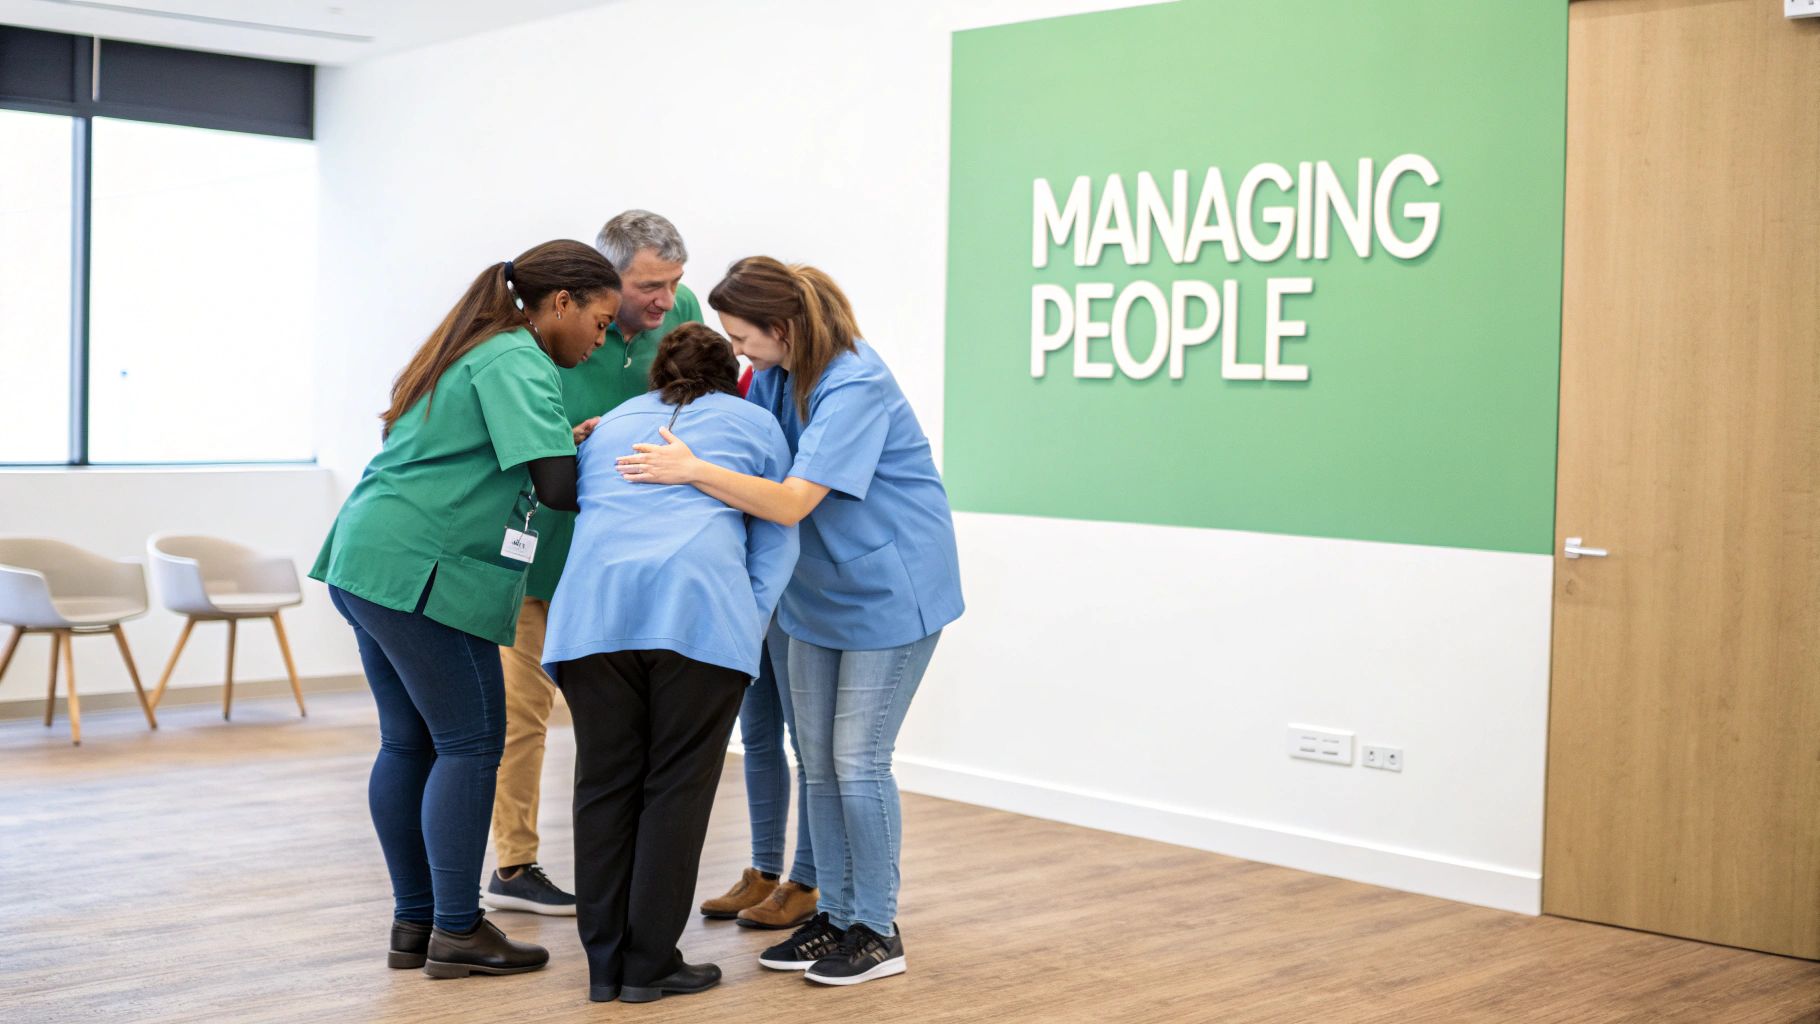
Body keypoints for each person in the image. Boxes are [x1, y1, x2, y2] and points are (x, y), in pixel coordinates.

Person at [617, 257, 964, 987]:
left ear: (783, 327)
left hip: (888, 591)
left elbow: (790, 500)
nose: (737, 352)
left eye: (744, 338)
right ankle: (834, 916)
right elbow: (742, 443)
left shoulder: (856, 383)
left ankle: (877, 928)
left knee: (857, 761)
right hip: (816, 591)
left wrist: (691, 471)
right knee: (817, 758)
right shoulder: (777, 375)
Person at [311, 240, 620, 978]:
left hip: (370, 561)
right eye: (602, 322)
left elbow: (506, 458)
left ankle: (415, 927)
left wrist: (566, 442)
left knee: (409, 744)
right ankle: (458, 929)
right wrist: (650, 465)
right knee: (472, 742)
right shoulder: (518, 359)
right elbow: (558, 490)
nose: (602, 340)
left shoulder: (481, 349)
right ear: (563, 303)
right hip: (421, 571)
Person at [543, 323, 799, 1003]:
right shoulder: (758, 423)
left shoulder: (614, 422)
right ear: (729, 375)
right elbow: (776, 536)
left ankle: (604, 967)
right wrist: (746, 617)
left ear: (657, 374)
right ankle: (649, 966)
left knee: (603, 788)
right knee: (675, 792)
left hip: (593, 617)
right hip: (698, 614)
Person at [483, 211, 702, 916]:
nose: (664, 301)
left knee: (622, 725)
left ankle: (629, 867)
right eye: (648, 286)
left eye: (673, 284)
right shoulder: (547, 336)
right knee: (522, 717)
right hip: (536, 553)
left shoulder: (683, 312)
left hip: (625, 559)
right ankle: (514, 866)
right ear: (599, 288)